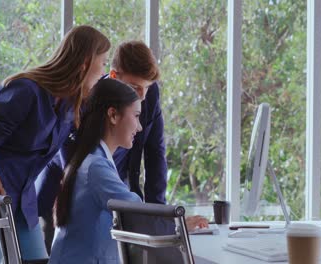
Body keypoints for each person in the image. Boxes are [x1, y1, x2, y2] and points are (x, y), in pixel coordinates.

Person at [48, 79, 207, 263]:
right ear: (113, 115)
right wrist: (179, 225)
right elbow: (136, 214)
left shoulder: (94, 160)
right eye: (136, 115)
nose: (139, 127)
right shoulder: (96, 168)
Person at [0, 25, 110, 262]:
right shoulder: (26, 90)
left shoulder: (69, 105)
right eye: (103, 62)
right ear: (85, 61)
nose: (103, 70)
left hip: (23, 205)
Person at [35, 40, 168, 252]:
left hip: (111, 195)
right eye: (135, 87)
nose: (141, 97)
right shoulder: (86, 95)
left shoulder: (148, 95)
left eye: (147, 88)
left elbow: (156, 153)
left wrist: (160, 215)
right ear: (114, 76)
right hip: (63, 194)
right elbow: (72, 160)